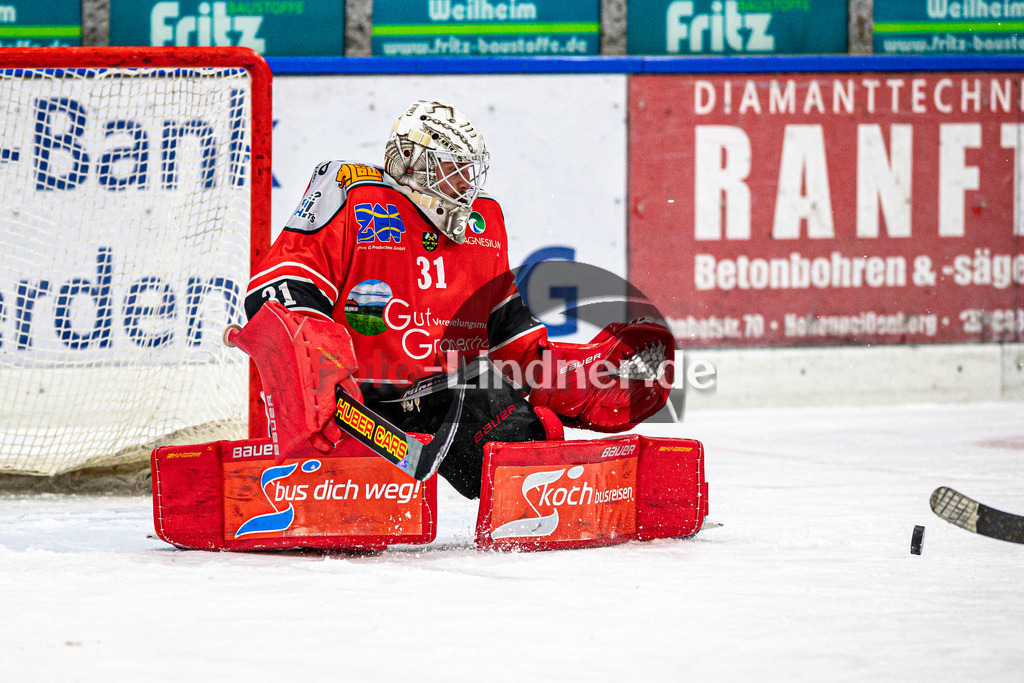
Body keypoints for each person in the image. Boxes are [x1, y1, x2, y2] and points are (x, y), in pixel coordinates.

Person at [245, 99, 670, 499]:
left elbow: (509, 337)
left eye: (469, 171)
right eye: (450, 169)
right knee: (337, 487)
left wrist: (575, 380)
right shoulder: (352, 197)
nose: (463, 184)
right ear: (409, 162)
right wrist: (318, 369)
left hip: (436, 398)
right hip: (350, 408)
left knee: (509, 426)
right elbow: (276, 291)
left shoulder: (483, 226)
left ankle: (547, 499)